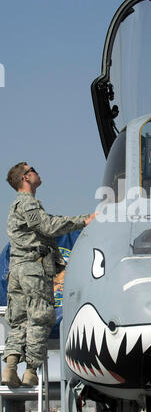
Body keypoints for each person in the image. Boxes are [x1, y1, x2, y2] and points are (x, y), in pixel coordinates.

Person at [2, 162, 97, 387]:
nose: (37, 172)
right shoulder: (28, 203)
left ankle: (11, 366)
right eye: (32, 169)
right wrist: (85, 220)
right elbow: (50, 227)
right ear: (25, 178)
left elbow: (46, 232)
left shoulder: (20, 206)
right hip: (33, 270)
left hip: (18, 270)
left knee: (20, 321)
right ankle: (31, 370)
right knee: (40, 317)